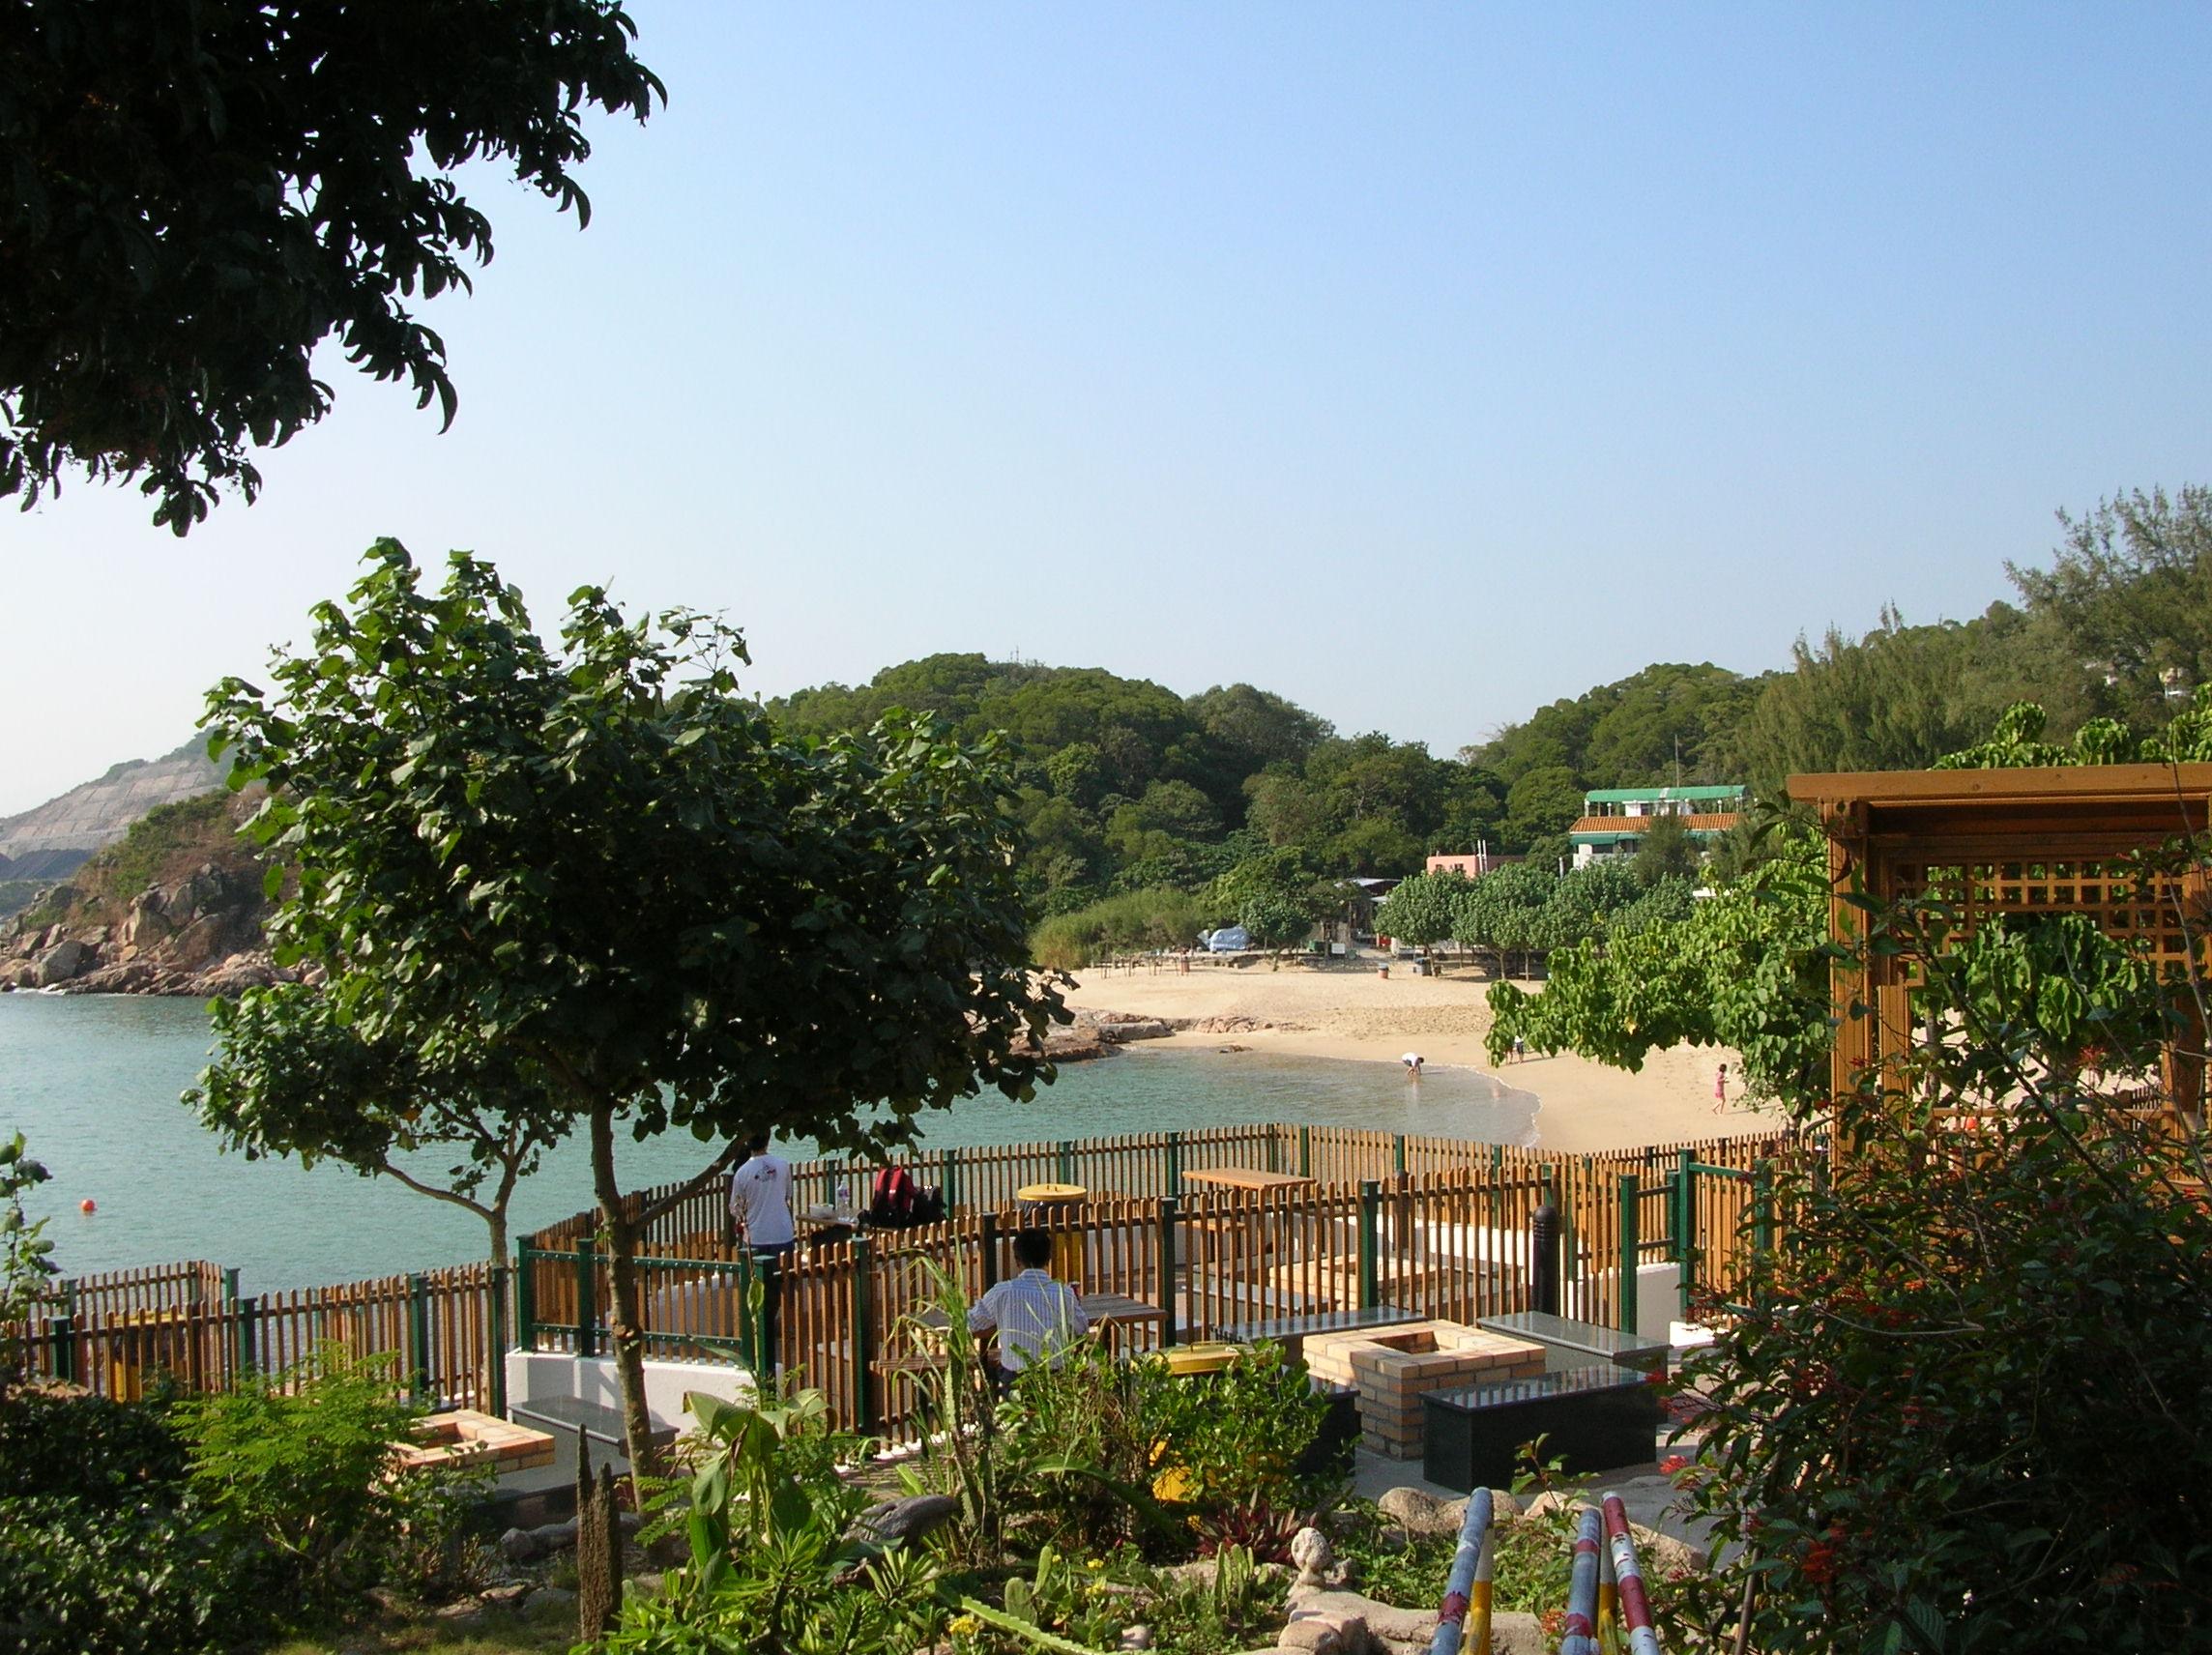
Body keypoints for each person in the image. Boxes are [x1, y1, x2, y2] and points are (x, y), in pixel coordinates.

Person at [967, 1229, 1089, 1395]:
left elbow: (971, 1323)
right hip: (1055, 1376)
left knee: (997, 1371)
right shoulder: (1064, 1293)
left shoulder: (1003, 1292)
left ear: (1017, 1260)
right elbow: (1081, 1328)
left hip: (1016, 1378)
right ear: (1049, 1258)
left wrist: (1001, 1321)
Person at [728, 1133, 795, 1372]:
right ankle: (779, 1324)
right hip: (783, 1233)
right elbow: (787, 1195)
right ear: (768, 1141)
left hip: (756, 1236)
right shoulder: (783, 1165)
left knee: (756, 1287)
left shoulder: (742, 1172)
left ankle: (759, 1329)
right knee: (782, 1283)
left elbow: (735, 1208)